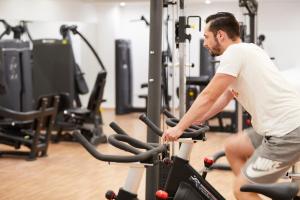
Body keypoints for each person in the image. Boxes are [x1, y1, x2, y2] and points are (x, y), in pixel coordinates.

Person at [162, 12, 300, 200]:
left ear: (220, 35)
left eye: (206, 37)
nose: (204, 43)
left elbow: (209, 96)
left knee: (240, 190)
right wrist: (198, 118)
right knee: (233, 147)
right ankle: (256, 185)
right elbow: (224, 97)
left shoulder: (234, 53)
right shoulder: (249, 49)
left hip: (287, 131)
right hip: (279, 125)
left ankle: (249, 189)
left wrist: (180, 128)